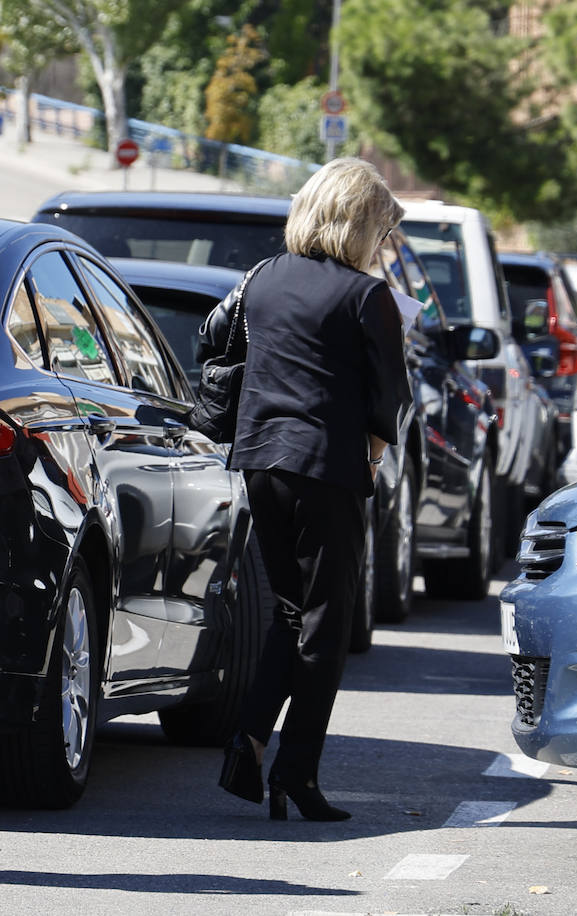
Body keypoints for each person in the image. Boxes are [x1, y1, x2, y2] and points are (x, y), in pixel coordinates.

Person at [208, 157, 411, 821]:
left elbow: (218, 339)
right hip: (328, 468)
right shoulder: (366, 296)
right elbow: (390, 400)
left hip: (261, 460)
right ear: (360, 225)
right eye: (382, 230)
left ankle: (249, 738)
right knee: (328, 624)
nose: (383, 244)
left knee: (293, 613)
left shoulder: (264, 278)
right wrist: (375, 459)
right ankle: (296, 775)